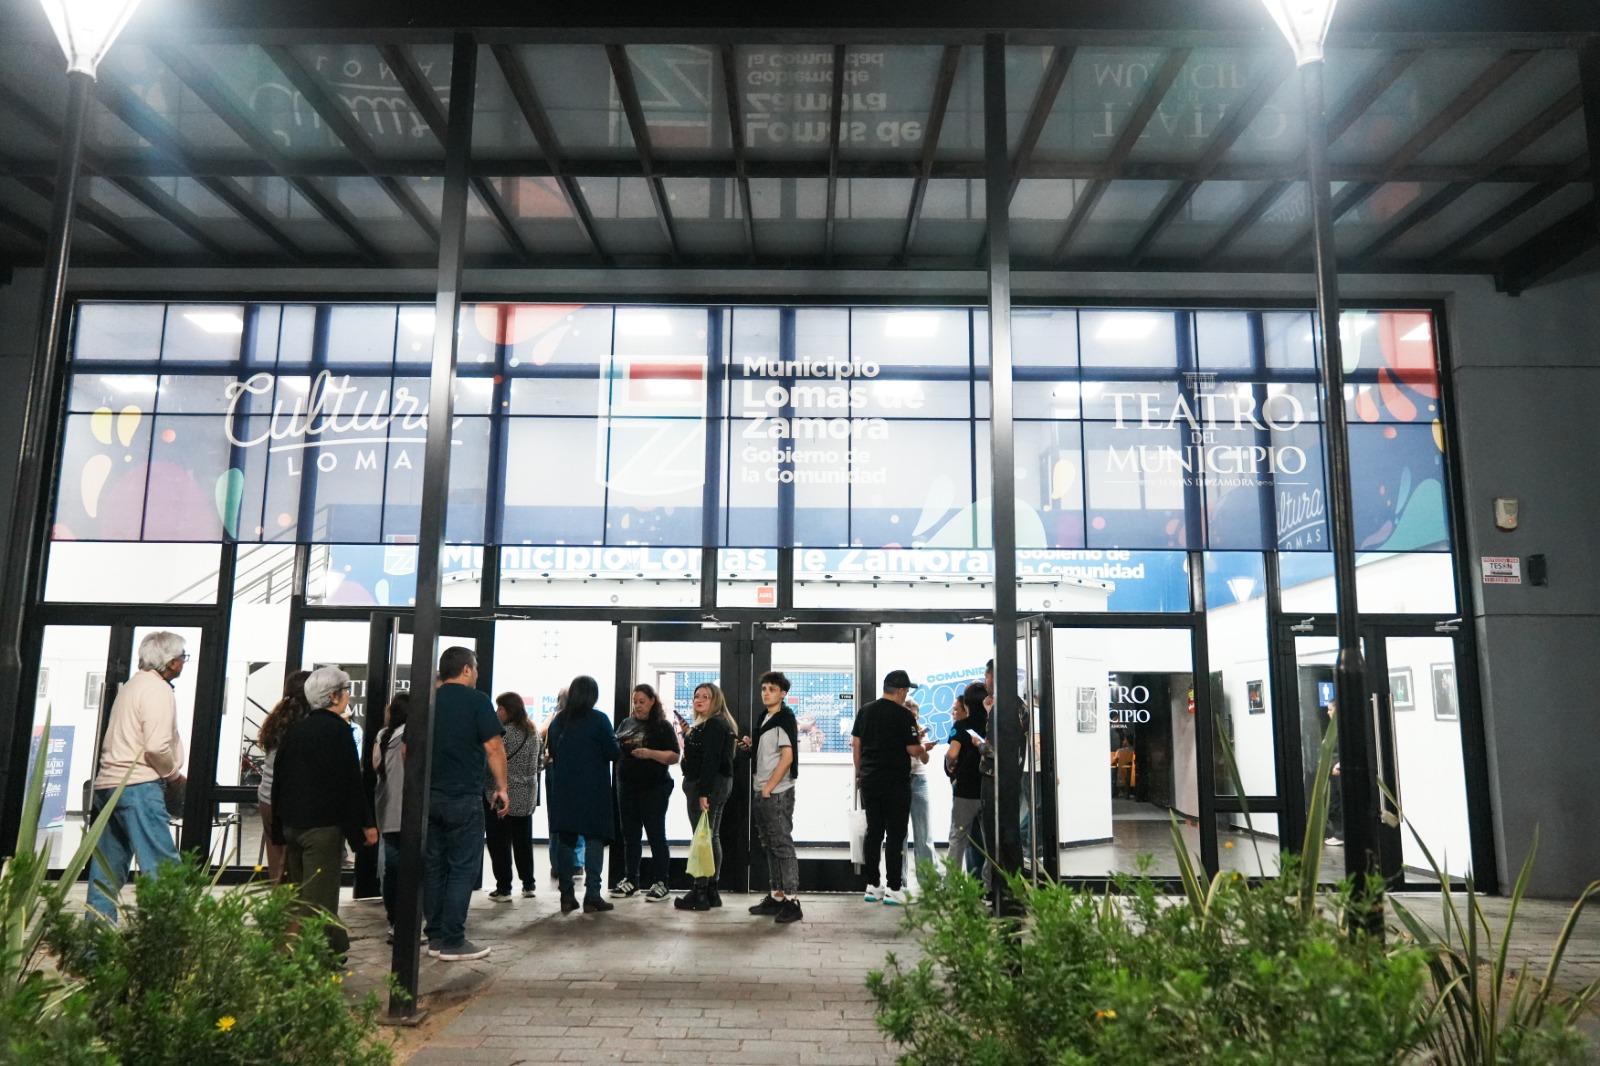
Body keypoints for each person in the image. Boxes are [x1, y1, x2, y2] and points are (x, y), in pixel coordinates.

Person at [270, 666, 377, 956]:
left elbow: (280, 780)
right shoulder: (338, 730)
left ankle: (334, 949)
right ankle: (316, 957)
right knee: (320, 900)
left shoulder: (295, 731)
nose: (348, 696)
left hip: (293, 825)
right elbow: (350, 782)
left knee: (302, 895)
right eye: (346, 691)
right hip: (322, 829)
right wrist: (365, 825)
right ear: (333, 696)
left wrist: (279, 828)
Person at [86, 631, 190, 921]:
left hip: (109, 784)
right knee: (162, 867)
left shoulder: (132, 686)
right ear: (170, 662)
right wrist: (173, 775)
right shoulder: (158, 690)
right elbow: (156, 746)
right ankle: (169, 937)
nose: (184, 662)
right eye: (182, 657)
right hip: (138, 786)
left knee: (105, 873)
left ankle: (95, 943)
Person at [423, 647, 507, 961]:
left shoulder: (428, 700)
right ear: (467, 670)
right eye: (476, 668)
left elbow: (407, 751)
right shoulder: (477, 701)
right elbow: (494, 746)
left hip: (428, 798)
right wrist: (502, 787)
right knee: (462, 868)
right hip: (463, 797)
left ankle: (434, 937)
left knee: (434, 867)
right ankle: (453, 941)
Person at [851, 669, 929, 906]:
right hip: (895, 782)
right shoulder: (905, 715)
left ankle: (873, 885)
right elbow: (913, 749)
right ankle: (894, 888)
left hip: (870, 780)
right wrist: (924, 750)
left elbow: (856, 745)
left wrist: (861, 773)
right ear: (902, 691)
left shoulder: (865, 711)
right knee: (896, 834)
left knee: (874, 832)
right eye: (906, 691)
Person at [545, 675, 621, 914]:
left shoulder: (559, 720)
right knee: (594, 840)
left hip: (565, 788)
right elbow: (613, 752)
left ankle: (567, 895)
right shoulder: (599, 720)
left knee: (566, 841)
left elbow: (553, 750)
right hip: (593, 789)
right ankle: (592, 895)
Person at [743, 671, 803, 924]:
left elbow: (787, 757)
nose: (766, 693)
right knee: (769, 845)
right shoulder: (765, 718)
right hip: (762, 789)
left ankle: (792, 900)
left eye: (772, 689)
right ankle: (777, 896)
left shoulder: (784, 718)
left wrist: (768, 788)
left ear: (783, 694)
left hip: (776, 793)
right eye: (764, 689)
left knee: (782, 845)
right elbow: (768, 753)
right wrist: (751, 745)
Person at [612, 683, 680, 902]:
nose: (638, 706)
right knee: (630, 835)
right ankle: (631, 879)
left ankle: (662, 882)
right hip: (626, 787)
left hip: (653, 788)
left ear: (652, 701)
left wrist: (650, 753)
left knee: (656, 835)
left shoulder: (661, 726)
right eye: (635, 702)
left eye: (642, 702)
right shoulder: (626, 723)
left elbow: (674, 756)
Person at [675, 681, 736, 912]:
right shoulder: (712, 724)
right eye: (696, 696)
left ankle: (699, 891)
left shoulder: (714, 724)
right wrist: (689, 734)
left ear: (716, 700)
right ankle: (711, 890)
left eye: (705, 697)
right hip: (716, 785)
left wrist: (703, 793)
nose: (698, 700)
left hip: (707, 786)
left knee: (702, 837)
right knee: (711, 836)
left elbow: (710, 760)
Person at [485, 691, 541, 902]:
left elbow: (491, 761)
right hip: (526, 794)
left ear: (509, 710)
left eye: (500, 708)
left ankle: (504, 888)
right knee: (523, 841)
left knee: (499, 843)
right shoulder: (533, 733)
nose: (496, 712)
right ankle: (528, 884)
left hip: (503, 794)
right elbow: (539, 762)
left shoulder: (502, 734)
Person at [255, 669, 310, 884]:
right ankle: (294, 904)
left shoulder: (277, 719)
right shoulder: (305, 723)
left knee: (276, 858)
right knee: (292, 862)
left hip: (267, 797)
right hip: (288, 799)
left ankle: (278, 902)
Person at [372, 690, 412, 939]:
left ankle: (395, 920)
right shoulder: (414, 734)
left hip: (387, 809)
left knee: (392, 869)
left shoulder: (382, 736)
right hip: (410, 810)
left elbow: (375, 766)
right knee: (415, 869)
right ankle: (411, 920)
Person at [945, 682, 990, 882]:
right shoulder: (992, 725)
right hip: (988, 788)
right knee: (991, 842)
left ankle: (951, 884)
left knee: (958, 838)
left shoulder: (961, 726)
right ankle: (989, 885)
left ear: (967, 704)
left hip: (965, 790)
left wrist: (950, 765)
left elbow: (952, 754)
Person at [541, 687, 584, 887]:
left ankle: (558, 865)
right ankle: (577, 863)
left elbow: (540, 734)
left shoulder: (555, 717)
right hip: (577, 770)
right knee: (579, 816)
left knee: (556, 818)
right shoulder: (585, 718)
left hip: (555, 768)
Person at [904, 696, 937, 876]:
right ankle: (899, 881)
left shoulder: (920, 731)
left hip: (919, 779)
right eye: (910, 716)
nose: (914, 720)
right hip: (900, 779)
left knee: (923, 831)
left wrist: (921, 744)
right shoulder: (896, 730)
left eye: (915, 716)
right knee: (899, 833)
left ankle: (928, 879)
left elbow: (924, 760)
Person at [1111, 734, 1137, 798]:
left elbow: (1115, 761)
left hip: (1120, 772)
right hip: (1131, 772)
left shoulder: (1120, 751)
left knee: (1113, 770)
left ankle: (1114, 792)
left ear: (1127, 741)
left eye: (1124, 740)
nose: (1123, 741)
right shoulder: (1134, 751)